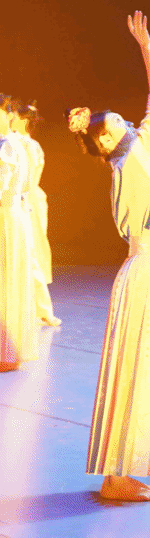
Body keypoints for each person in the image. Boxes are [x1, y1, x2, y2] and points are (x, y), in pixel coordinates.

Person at [66, 11, 150, 502]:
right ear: (106, 140)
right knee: (137, 370)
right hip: (144, 276)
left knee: (146, 369)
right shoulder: (128, 162)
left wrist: (147, 46)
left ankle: (123, 471)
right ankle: (117, 476)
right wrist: (144, 48)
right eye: (120, 123)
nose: (132, 125)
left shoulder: (133, 158)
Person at [11, 99, 61, 328]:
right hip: (19, 200)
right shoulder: (15, 142)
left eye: (14, 116)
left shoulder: (26, 145)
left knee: (30, 255)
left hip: (25, 202)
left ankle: (42, 309)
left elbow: (27, 180)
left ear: (22, 120)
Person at [0, 94, 37, 372]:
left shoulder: (7, 145)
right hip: (12, 215)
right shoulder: (14, 144)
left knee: (6, 282)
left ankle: (6, 351)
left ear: (9, 114)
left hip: (6, 217)